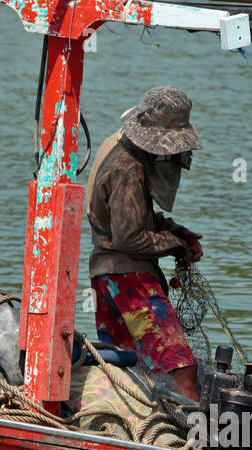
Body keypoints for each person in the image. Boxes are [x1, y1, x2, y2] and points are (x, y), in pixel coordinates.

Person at [86, 86, 204, 400]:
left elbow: (135, 218)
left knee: (130, 368)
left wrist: (176, 231)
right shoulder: (129, 168)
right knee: (181, 368)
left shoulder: (123, 149)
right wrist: (176, 245)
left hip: (109, 278)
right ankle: (195, 440)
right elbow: (130, 238)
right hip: (129, 282)